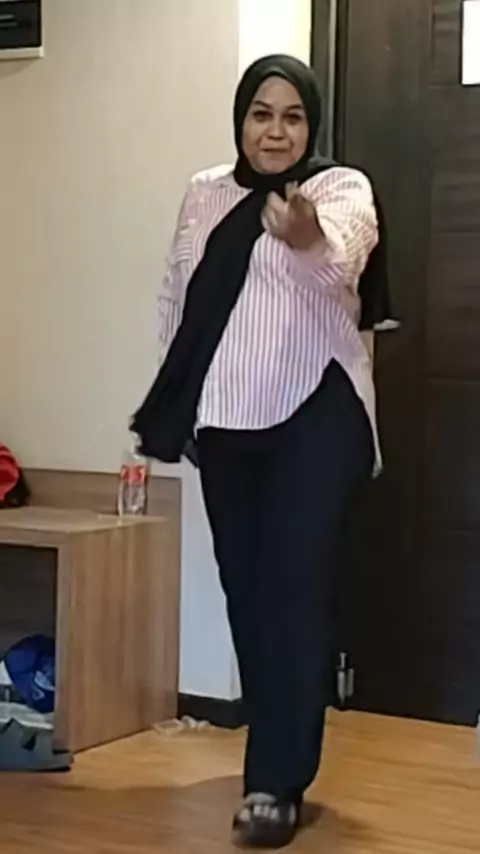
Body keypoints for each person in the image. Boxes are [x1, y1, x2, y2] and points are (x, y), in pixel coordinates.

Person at [133, 55, 392, 849]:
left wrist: (307, 236)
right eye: (261, 114)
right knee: (247, 594)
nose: (275, 132)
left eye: (292, 117)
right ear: (241, 119)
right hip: (225, 419)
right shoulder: (205, 191)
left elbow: (345, 263)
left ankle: (274, 783)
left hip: (317, 412)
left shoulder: (340, 189)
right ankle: (276, 751)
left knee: (293, 590)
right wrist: (175, 405)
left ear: (311, 126)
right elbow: (177, 299)